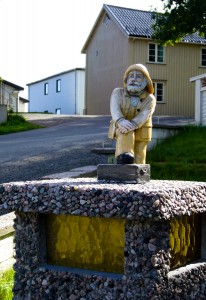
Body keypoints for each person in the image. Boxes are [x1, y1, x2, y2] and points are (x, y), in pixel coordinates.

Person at [108, 64, 156, 164]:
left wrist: (133, 124)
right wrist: (120, 121)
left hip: (142, 128)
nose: (133, 79)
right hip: (121, 125)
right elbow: (114, 109)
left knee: (140, 153)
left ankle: (140, 172)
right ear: (126, 79)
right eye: (131, 76)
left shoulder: (150, 98)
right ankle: (124, 161)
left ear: (145, 80)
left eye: (138, 76)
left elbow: (145, 114)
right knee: (124, 135)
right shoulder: (117, 93)